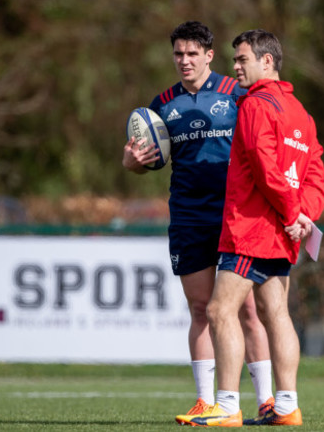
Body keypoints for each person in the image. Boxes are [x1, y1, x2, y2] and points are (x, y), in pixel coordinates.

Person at [122, 22, 274, 423]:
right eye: (178, 54)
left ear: (209, 55)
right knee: (201, 309)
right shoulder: (161, 105)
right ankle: (206, 401)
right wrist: (131, 163)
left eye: (192, 54)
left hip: (234, 217)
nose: (184, 61)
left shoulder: (238, 93)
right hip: (189, 216)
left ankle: (267, 400)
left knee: (248, 312)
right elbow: (145, 161)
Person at [176, 29, 324, 427]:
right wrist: (303, 216)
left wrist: (294, 210)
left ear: (267, 62)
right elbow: (316, 175)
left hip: (250, 229)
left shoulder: (255, 105)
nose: (236, 66)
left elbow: (264, 168)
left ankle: (225, 407)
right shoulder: (302, 114)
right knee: (276, 313)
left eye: (242, 59)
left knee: (218, 310)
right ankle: (286, 405)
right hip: (283, 232)